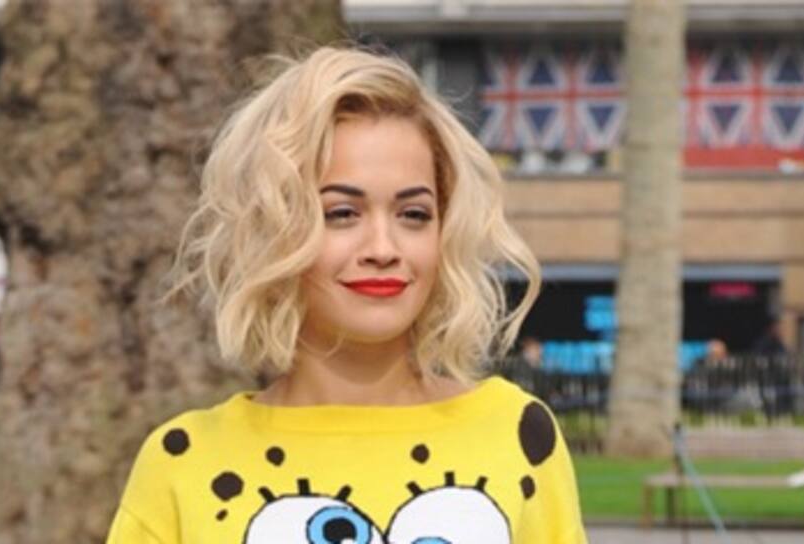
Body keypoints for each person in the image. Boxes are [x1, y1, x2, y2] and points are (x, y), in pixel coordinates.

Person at [107, 47, 587, 543]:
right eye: (341, 214)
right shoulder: (184, 461)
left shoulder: (517, 434)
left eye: (413, 215)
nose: (383, 249)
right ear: (272, 229)